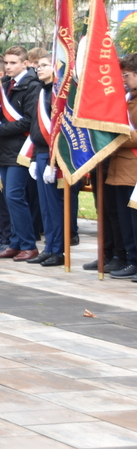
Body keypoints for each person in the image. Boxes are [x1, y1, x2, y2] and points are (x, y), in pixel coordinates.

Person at [0, 46, 41, 261]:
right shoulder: (6, 85)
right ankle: (16, 242)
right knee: (8, 199)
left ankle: (28, 244)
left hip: (21, 149)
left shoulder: (31, 86)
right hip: (5, 150)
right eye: (6, 63)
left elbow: (28, 120)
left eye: (13, 63)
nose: (8, 67)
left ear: (25, 63)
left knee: (15, 196)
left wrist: (0, 128)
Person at [26, 52, 66, 267]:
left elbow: (60, 130)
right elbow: (36, 127)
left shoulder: (59, 94)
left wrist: (55, 162)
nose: (38, 69)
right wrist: (33, 158)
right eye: (38, 65)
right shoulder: (42, 92)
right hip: (40, 153)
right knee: (44, 207)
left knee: (54, 205)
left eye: (44, 65)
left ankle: (58, 251)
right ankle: (49, 247)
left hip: (54, 156)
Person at [106, 53, 137, 279]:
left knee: (133, 220)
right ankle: (127, 258)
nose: (123, 79)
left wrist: (110, 140)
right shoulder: (128, 97)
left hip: (132, 168)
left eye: (125, 75)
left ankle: (134, 260)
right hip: (119, 167)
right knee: (122, 219)